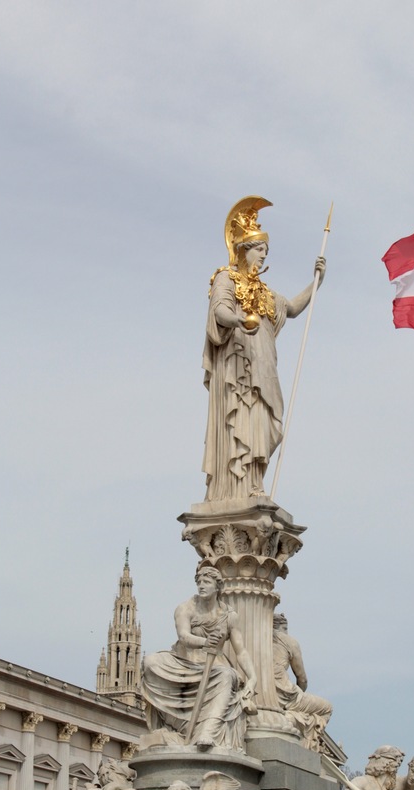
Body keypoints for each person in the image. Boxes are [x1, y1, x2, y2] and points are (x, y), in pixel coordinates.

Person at [202, 197, 326, 501]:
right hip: (238, 368)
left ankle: (254, 480)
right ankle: (239, 487)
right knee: (243, 419)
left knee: (267, 422)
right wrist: (240, 321)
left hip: (264, 365)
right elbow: (219, 311)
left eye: (266, 251)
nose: (263, 256)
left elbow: (294, 308)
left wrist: (317, 281)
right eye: (259, 249)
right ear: (244, 249)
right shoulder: (226, 278)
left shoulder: (267, 293)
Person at [141, 565, 257, 750]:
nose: (202, 586)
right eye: (199, 582)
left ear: (217, 587)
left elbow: (241, 651)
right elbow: (183, 636)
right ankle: (180, 725)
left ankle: (207, 732)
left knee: (227, 675)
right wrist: (205, 641)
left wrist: (252, 677)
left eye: (207, 582)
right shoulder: (185, 608)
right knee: (150, 662)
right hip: (183, 662)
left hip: (213, 666)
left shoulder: (229, 616)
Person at [272, 613, 332, 750]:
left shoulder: (256, 638)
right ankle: (306, 747)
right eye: (286, 627)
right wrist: (299, 694)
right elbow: (302, 679)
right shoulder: (289, 641)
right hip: (285, 694)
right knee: (327, 708)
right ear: (283, 626)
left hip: (261, 691)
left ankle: (293, 718)